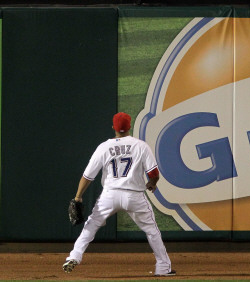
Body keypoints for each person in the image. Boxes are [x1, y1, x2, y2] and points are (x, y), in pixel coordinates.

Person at [62, 112, 176, 277]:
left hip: (110, 195)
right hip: (134, 196)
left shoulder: (104, 147)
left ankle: (74, 256)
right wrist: (152, 183)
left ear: (113, 127)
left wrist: (78, 196)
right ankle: (163, 267)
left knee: (91, 225)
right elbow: (154, 173)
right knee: (152, 230)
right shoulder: (141, 145)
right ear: (129, 127)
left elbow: (87, 177)